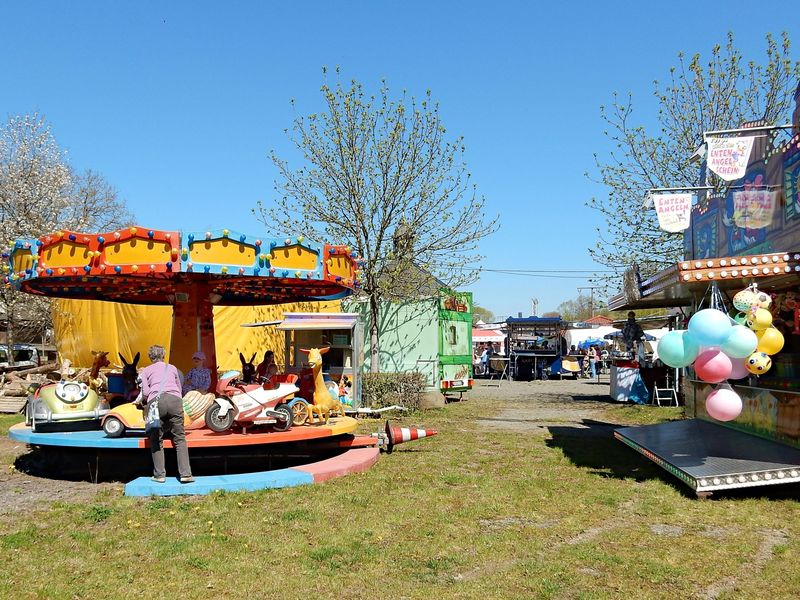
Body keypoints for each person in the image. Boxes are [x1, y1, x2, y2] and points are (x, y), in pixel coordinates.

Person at [139, 345, 194, 484]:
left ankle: (159, 475)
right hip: (175, 400)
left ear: (150, 357)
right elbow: (179, 387)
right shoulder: (172, 368)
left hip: (156, 402)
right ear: (163, 355)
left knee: (156, 439)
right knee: (180, 438)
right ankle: (186, 474)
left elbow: (145, 393)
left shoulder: (146, 371)